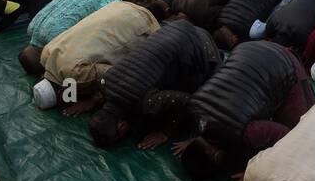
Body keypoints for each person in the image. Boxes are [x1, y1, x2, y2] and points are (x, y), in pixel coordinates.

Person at [174, 40, 315, 179]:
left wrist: (254, 174)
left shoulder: (248, 133)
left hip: (282, 61)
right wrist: (196, 141)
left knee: (302, 130)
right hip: (248, 48)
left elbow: (285, 135)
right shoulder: (194, 112)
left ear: (217, 157)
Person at [86, 20, 220, 148]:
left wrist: (165, 132)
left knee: (202, 89)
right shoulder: (105, 82)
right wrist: (92, 101)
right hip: (171, 29)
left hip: (202, 45)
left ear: (122, 127)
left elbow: (187, 100)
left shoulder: (148, 102)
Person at [31, 0, 159, 111]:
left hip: (142, 23)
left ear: (61, 92)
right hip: (119, 8)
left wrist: (93, 101)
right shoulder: (46, 54)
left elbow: (114, 75)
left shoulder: (75, 74)